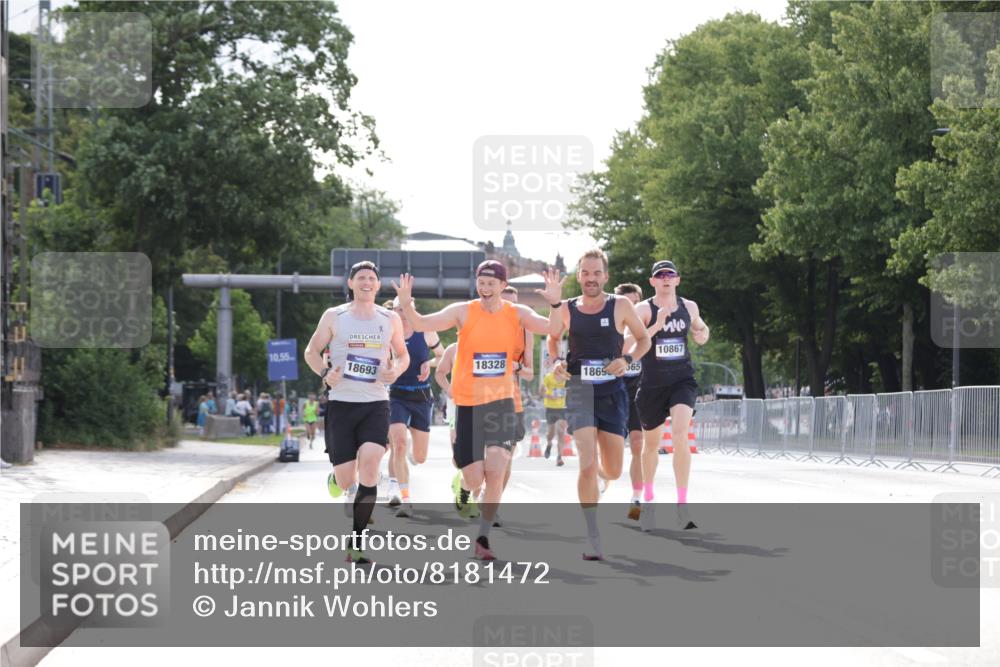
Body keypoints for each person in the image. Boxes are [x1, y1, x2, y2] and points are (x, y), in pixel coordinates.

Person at [393, 261, 564, 560]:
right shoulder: (463, 311)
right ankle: (465, 484)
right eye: (481, 283)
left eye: (491, 283)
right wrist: (407, 305)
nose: (485, 289)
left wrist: (555, 302)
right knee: (475, 479)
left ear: (501, 285)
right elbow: (421, 324)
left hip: (501, 404)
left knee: (496, 471)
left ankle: (483, 538)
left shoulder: (516, 313)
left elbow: (552, 327)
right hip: (468, 404)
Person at [547, 249, 651, 560]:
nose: (590, 278)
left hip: (613, 392)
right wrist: (555, 362)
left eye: (596, 273)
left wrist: (627, 359)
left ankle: (605, 481)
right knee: (587, 461)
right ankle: (592, 534)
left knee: (614, 470)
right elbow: (553, 338)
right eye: (585, 273)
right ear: (578, 276)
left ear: (605, 276)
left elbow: (643, 339)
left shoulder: (620, 305)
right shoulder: (566, 308)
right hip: (580, 388)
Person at [304, 260, 409, 564]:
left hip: (376, 403)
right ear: (350, 283)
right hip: (341, 405)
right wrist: (325, 372)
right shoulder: (334, 316)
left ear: (378, 286)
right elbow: (311, 351)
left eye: (372, 278)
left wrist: (396, 371)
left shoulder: (389, 319)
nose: (367, 282)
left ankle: (357, 541)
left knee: (372, 465)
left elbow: (401, 355)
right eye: (361, 278)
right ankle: (338, 481)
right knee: (348, 477)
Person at [634, 260, 709, 532]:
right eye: (660, 275)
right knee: (650, 446)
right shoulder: (642, 309)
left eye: (670, 275)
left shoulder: (689, 307)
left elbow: (701, 329)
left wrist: (702, 335)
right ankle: (649, 501)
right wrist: (656, 325)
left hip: (682, 380)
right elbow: (632, 346)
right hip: (652, 385)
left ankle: (682, 506)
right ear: (652, 282)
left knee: (680, 434)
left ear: (678, 279)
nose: (665, 279)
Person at [384, 296, 444, 518]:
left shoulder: (426, 330)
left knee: (419, 457)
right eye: (398, 309)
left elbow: (442, 356)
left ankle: (410, 453)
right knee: (398, 444)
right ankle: (405, 499)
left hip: (420, 395)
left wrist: (429, 363)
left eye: (406, 309)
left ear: (413, 310)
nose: (402, 313)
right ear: (394, 311)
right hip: (396, 394)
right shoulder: (388, 333)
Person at [614, 282, 647, 521]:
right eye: (628, 304)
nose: (633, 308)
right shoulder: (610, 330)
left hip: (639, 390)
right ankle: (602, 480)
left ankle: (636, 498)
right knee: (611, 452)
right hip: (613, 391)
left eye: (636, 303)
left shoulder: (646, 329)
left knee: (637, 443)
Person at [542, 365, 568, 466]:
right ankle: (549, 444)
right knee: (550, 433)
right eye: (557, 368)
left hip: (562, 408)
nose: (559, 370)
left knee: (561, 432)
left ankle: (559, 457)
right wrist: (548, 395)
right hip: (550, 407)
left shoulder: (566, 378)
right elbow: (541, 390)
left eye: (562, 369)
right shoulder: (548, 377)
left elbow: (572, 388)